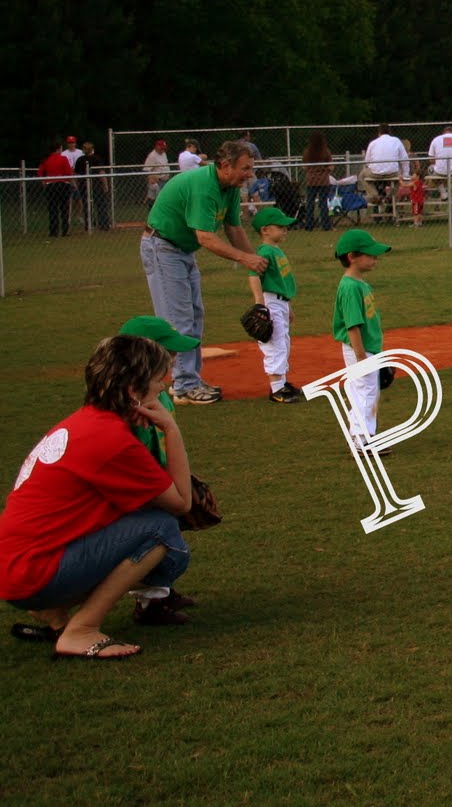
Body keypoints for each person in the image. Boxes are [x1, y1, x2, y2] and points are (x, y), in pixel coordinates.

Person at [0, 334, 193, 659]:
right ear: (134, 392)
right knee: (161, 529)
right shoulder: (111, 439)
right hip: (32, 573)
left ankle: (56, 616)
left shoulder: (85, 422)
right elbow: (182, 503)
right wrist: (171, 429)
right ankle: (82, 629)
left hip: (16, 568)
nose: (163, 387)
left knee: (147, 524)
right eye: (158, 382)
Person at [141, 139, 269, 404]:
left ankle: (189, 380)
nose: (249, 174)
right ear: (225, 165)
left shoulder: (229, 188)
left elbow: (234, 228)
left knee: (195, 315)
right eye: (245, 168)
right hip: (162, 246)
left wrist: (254, 261)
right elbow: (206, 238)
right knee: (179, 320)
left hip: (181, 250)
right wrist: (245, 259)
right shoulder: (204, 187)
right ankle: (182, 385)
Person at [115, 316, 202, 625]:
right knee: (163, 542)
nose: (176, 357)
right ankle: (149, 604)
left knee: (173, 527)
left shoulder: (159, 393)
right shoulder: (127, 406)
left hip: (162, 477)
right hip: (141, 488)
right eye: (169, 352)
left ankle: (162, 591)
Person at [332, 228, 391, 450]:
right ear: (352, 257)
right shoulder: (349, 287)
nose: (375, 258)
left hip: (368, 348)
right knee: (364, 392)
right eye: (370, 254)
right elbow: (352, 326)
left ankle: (365, 435)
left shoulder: (360, 284)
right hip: (359, 349)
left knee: (368, 392)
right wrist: (361, 357)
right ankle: (360, 439)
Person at [245, 206, 304, 402]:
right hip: (270, 300)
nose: (285, 230)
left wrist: (289, 307)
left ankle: (282, 383)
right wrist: (260, 304)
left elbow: (282, 284)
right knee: (275, 343)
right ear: (265, 230)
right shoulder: (265, 251)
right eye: (280, 227)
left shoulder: (275, 250)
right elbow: (253, 275)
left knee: (283, 342)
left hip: (280, 302)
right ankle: (277, 389)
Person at [38, 140, 74, 239]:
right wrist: (72, 184)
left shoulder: (46, 160)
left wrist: (45, 184)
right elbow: (68, 173)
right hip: (63, 185)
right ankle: (65, 230)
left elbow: (40, 173)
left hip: (51, 185)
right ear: (58, 149)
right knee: (64, 208)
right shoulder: (63, 158)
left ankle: (53, 231)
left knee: (52, 208)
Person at [302, 131, 335, 231]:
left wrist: (311, 170)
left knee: (310, 203)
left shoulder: (307, 152)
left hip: (311, 180)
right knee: (324, 203)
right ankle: (326, 225)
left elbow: (304, 167)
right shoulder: (326, 151)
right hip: (323, 180)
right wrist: (325, 169)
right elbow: (331, 166)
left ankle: (309, 225)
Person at [143, 139, 172, 206]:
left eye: (164, 148)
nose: (162, 149)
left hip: (166, 180)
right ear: (156, 146)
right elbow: (147, 170)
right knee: (156, 201)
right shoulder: (152, 156)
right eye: (161, 147)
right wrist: (151, 179)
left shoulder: (163, 153)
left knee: (165, 200)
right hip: (158, 181)